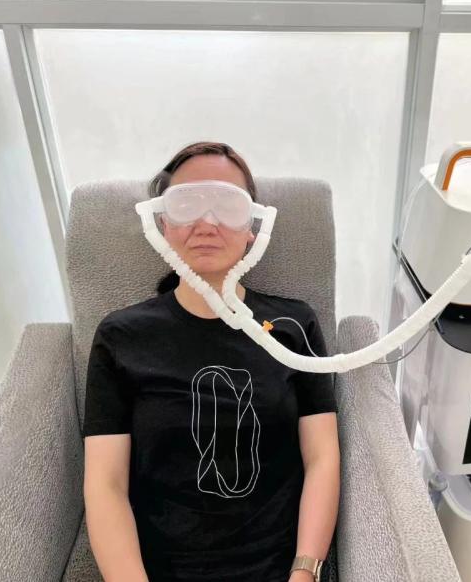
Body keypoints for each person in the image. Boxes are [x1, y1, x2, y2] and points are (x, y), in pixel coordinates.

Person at [81, 142, 340, 582]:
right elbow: (105, 483)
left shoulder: (294, 326)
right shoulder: (121, 336)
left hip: (278, 569)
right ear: (163, 224)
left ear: (251, 227)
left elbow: (322, 458)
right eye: (187, 205)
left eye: (227, 205)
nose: (207, 223)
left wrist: (306, 571)